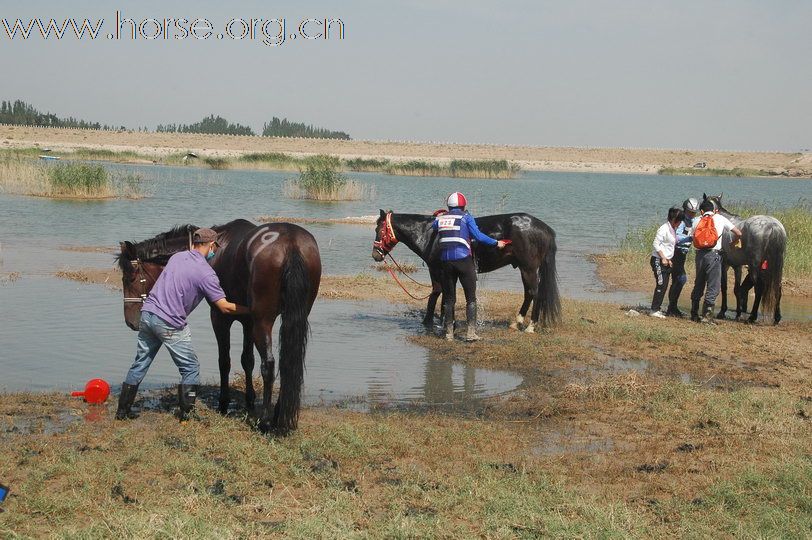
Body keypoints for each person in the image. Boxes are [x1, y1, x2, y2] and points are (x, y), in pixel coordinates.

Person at [116, 228, 250, 421]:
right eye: (215, 247)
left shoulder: (177, 257)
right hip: (169, 323)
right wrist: (252, 309)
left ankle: (122, 411)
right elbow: (224, 307)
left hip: (148, 315)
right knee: (190, 367)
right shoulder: (206, 273)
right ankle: (186, 414)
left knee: (141, 363)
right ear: (211, 245)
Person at [433, 192, 507, 341]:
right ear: (464, 205)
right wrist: (496, 243)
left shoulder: (440, 220)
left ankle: (448, 334)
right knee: (471, 298)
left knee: (449, 299)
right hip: (463, 261)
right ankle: (471, 333)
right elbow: (478, 236)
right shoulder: (466, 218)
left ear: (448, 205)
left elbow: (435, 227)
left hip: (445, 263)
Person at [689, 200, 742, 323]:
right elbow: (739, 233)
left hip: (700, 255)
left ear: (701, 211)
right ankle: (707, 316)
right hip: (714, 255)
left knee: (699, 283)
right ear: (714, 209)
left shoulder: (696, 220)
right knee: (713, 285)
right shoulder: (720, 218)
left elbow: (693, 237)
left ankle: (694, 313)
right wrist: (732, 243)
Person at [666, 197, 699, 316]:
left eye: (694, 213)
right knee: (681, 279)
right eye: (690, 212)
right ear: (685, 210)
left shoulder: (693, 220)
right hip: (676, 252)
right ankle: (672, 307)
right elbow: (675, 238)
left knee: (676, 280)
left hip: (682, 254)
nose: (692, 214)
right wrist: (690, 237)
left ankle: (672, 307)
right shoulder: (680, 221)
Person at [650, 207, 684, 318]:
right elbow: (656, 244)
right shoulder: (664, 228)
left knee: (664, 285)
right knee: (661, 284)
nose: (679, 224)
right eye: (679, 221)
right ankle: (654, 310)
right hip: (658, 260)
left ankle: (657, 309)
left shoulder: (672, 229)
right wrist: (663, 258)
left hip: (666, 261)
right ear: (674, 219)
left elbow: (668, 246)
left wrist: (669, 259)